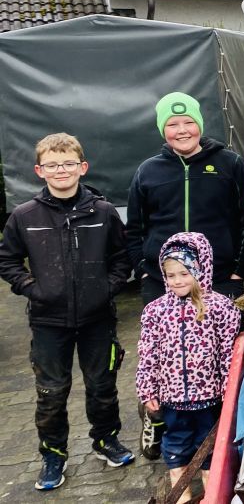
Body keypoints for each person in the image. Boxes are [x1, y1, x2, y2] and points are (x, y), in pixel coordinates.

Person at [127, 92, 244, 460]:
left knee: (223, 356)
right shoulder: (148, 172)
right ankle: (158, 422)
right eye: (172, 124)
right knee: (162, 356)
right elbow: (134, 227)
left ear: (200, 124)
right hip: (162, 283)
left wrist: (238, 270)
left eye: (188, 123)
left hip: (218, 280)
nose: (181, 130)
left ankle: (224, 432)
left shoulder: (229, 164)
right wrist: (144, 269)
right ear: (162, 129)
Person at [0, 133, 134, 491]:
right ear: (39, 170)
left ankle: (106, 441)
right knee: (51, 392)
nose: (62, 171)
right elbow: (7, 260)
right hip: (47, 322)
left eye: (69, 164)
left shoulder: (103, 212)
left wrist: (108, 287)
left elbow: (123, 258)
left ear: (82, 167)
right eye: (53, 165)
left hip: (97, 319)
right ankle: (53, 454)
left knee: (103, 385)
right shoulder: (24, 216)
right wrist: (32, 289)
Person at [136, 232, 240, 499]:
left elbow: (229, 352)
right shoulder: (155, 311)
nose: (177, 281)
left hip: (209, 399)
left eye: (184, 273)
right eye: (170, 276)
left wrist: (230, 388)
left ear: (201, 269)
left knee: (210, 454)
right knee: (175, 451)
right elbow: (147, 352)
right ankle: (180, 496)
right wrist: (147, 389)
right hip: (172, 401)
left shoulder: (221, 308)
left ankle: (212, 496)